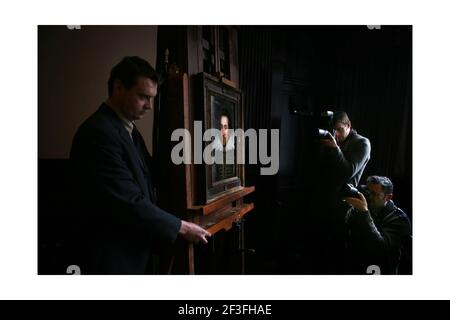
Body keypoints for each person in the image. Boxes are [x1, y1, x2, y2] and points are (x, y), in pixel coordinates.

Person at [70, 56, 211, 274]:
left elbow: (149, 177)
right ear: (118, 87)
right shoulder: (99, 133)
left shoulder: (128, 129)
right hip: (110, 260)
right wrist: (181, 227)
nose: (149, 106)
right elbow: (128, 201)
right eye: (143, 97)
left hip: (131, 253)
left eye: (152, 98)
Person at [307, 111, 372, 274]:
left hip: (341, 205)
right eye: (333, 130)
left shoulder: (362, 143)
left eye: (339, 129)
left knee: (335, 254)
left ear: (348, 125)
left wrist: (335, 149)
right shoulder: (331, 141)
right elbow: (316, 168)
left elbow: (347, 172)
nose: (335, 134)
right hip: (321, 201)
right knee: (316, 251)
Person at [344, 175, 411, 274]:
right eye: (368, 192)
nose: (369, 197)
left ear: (388, 197)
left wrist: (364, 213)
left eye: (374, 194)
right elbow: (345, 233)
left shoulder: (399, 219)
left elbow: (379, 250)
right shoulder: (362, 208)